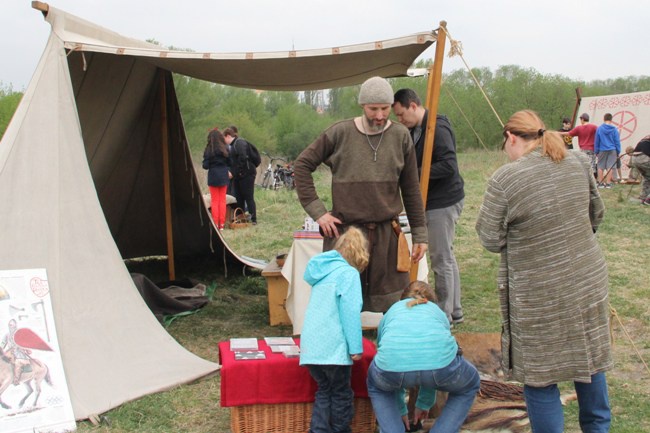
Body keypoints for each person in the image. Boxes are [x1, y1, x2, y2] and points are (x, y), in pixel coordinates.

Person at [476, 110, 612, 433]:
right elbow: (596, 215)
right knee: (589, 362)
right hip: (587, 283)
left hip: (539, 295)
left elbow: (490, 238)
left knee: (540, 378)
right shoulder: (578, 162)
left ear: (511, 138)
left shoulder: (506, 179)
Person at [294, 76, 428, 313]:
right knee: (340, 301)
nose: (379, 115)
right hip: (347, 236)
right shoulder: (339, 133)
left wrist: (420, 234)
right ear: (362, 106)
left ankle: (391, 347)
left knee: (395, 305)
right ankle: (343, 348)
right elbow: (302, 165)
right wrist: (319, 213)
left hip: (388, 235)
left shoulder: (400, 136)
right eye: (373, 109)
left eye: (385, 109)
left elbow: (411, 190)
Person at [366, 281, 480, 433]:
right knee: (469, 384)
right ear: (431, 300)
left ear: (402, 299)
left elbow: (387, 358)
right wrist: (423, 404)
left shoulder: (392, 311)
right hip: (441, 367)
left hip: (392, 369)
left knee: (378, 385)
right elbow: (432, 357)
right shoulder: (436, 312)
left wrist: (400, 410)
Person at [392, 88, 465, 324]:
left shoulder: (438, 128)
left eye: (402, 114)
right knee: (446, 257)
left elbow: (449, 165)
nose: (400, 120)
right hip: (432, 200)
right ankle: (454, 310)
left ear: (413, 106)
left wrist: (417, 175)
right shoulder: (417, 130)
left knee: (440, 258)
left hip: (442, 201)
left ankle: (443, 316)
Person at [299, 227, 369, 433]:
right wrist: (355, 347)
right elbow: (350, 312)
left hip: (312, 347)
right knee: (340, 393)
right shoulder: (348, 274)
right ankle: (340, 430)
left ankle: (318, 430)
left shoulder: (321, 273)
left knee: (324, 390)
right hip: (333, 348)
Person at [224, 126, 257, 224]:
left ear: (228, 136)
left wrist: (233, 172)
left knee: (248, 196)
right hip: (238, 176)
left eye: (224, 139)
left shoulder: (239, 143)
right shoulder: (233, 145)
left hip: (247, 175)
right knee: (239, 198)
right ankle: (240, 218)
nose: (224, 142)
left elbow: (242, 159)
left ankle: (253, 219)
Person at [202, 128, 231, 230]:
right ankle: (222, 224)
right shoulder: (226, 149)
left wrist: (210, 163)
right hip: (223, 175)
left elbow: (205, 166)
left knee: (214, 201)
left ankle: (215, 224)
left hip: (213, 176)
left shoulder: (209, 150)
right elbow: (230, 163)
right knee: (222, 200)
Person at [561, 112, 598, 177]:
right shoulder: (594, 127)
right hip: (591, 149)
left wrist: (557, 133)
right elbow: (601, 132)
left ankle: (585, 179)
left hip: (583, 149)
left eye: (581, 119)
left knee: (584, 165)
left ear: (583, 119)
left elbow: (568, 133)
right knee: (591, 166)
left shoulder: (579, 128)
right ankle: (593, 180)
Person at [594, 113, 621, 189]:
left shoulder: (599, 128)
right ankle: (608, 183)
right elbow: (617, 141)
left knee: (600, 166)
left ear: (604, 119)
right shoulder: (614, 129)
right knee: (610, 166)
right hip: (612, 150)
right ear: (611, 119)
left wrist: (596, 151)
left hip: (602, 149)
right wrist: (618, 151)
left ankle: (600, 183)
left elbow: (597, 140)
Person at [1, 319, 31, 385]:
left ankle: (16, 380)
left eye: (12, 325)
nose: (11, 327)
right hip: (10, 353)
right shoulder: (7, 335)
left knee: (17, 364)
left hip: (19, 354)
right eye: (10, 325)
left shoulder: (19, 335)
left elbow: (24, 344)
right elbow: (2, 344)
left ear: (15, 326)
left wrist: (21, 348)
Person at [629, 134, 650, 205]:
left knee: (647, 178)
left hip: (635, 158)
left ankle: (643, 198)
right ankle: (648, 199)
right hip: (644, 157)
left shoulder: (647, 137)